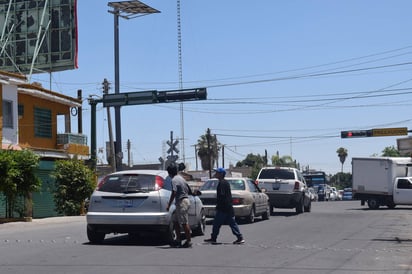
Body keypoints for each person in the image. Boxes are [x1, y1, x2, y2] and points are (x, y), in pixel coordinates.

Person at [204, 168, 245, 245]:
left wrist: (219, 206)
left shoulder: (222, 183)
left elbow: (222, 196)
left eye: (217, 172)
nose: (215, 173)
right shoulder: (223, 182)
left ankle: (214, 238)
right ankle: (239, 237)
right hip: (227, 207)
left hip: (224, 208)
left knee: (216, 223)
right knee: (232, 223)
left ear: (221, 174)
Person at [166, 163, 192, 248]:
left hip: (182, 202)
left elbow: (174, 192)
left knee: (184, 222)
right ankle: (178, 240)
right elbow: (188, 189)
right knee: (176, 221)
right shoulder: (181, 178)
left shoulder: (174, 180)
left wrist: (169, 204)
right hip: (182, 201)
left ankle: (188, 242)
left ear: (169, 173)